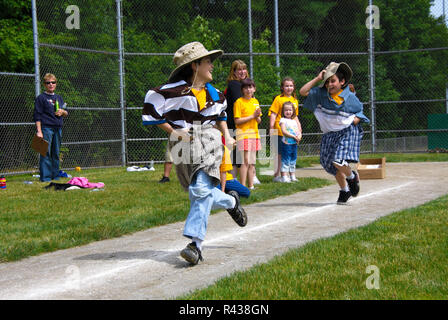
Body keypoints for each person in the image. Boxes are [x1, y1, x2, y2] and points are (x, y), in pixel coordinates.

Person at [142, 42, 247, 265]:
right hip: (181, 144)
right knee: (198, 193)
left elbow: (220, 117)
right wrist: (173, 132)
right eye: (208, 61)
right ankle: (230, 201)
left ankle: (195, 246)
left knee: (200, 190)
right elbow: (151, 106)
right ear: (194, 65)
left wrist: (227, 137)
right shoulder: (173, 91)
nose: (212, 66)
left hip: (207, 138)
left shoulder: (216, 94)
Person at [299, 62, 370, 204]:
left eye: (333, 81)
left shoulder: (349, 98)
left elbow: (360, 110)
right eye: (327, 82)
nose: (329, 84)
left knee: (338, 160)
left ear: (342, 81)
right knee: (328, 164)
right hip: (329, 134)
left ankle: (351, 177)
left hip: (347, 131)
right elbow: (303, 92)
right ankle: (345, 191)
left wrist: (357, 118)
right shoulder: (320, 94)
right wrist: (318, 78)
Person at [224, 60, 261, 185]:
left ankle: (249, 177)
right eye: (239, 69)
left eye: (244, 69)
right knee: (238, 155)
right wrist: (252, 115)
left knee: (244, 155)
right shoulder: (234, 85)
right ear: (233, 72)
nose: (242, 72)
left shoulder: (244, 85)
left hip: (249, 127)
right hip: (236, 124)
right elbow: (239, 104)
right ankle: (236, 179)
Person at [33, 73, 68, 182]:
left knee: (56, 153)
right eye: (48, 83)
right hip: (46, 129)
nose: (51, 84)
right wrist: (39, 131)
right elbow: (37, 115)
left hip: (58, 128)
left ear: (56, 84)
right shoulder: (41, 98)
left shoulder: (58, 97)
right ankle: (46, 177)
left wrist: (63, 112)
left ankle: (55, 176)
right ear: (44, 84)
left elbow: (66, 113)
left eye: (53, 82)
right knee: (45, 153)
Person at [268, 77, 299, 182]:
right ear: (282, 87)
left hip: (291, 133)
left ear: (293, 87)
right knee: (280, 154)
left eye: (291, 85)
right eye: (286, 86)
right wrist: (271, 128)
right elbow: (273, 114)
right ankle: (278, 175)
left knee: (290, 154)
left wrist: (299, 130)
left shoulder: (294, 100)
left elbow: (295, 116)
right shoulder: (278, 99)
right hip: (280, 130)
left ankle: (289, 175)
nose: (289, 88)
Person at [233, 78, 262, 190]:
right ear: (242, 90)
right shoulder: (239, 102)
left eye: (250, 87)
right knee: (245, 161)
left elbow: (258, 120)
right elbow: (237, 121)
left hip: (254, 134)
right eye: (245, 87)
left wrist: (257, 116)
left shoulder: (255, 101)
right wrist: (252, 116)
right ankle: (243, 186)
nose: (248, 90)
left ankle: (251, 186)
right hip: (244, 134)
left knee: (252, 162)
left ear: (254, 89)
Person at [279, 101, 302, 183]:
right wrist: (293, 137)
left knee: (293, 159)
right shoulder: (283, 120)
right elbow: (284, 131)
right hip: (286, 144)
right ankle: (284, 176)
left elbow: (298, 131)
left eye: (290, 110)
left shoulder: (294, 121)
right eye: (286, 110)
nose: (288, 112)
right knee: (286, 160)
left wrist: (299, 137)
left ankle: (292, 176)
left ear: (293, 111)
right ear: (283, 111)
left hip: (294, 144)